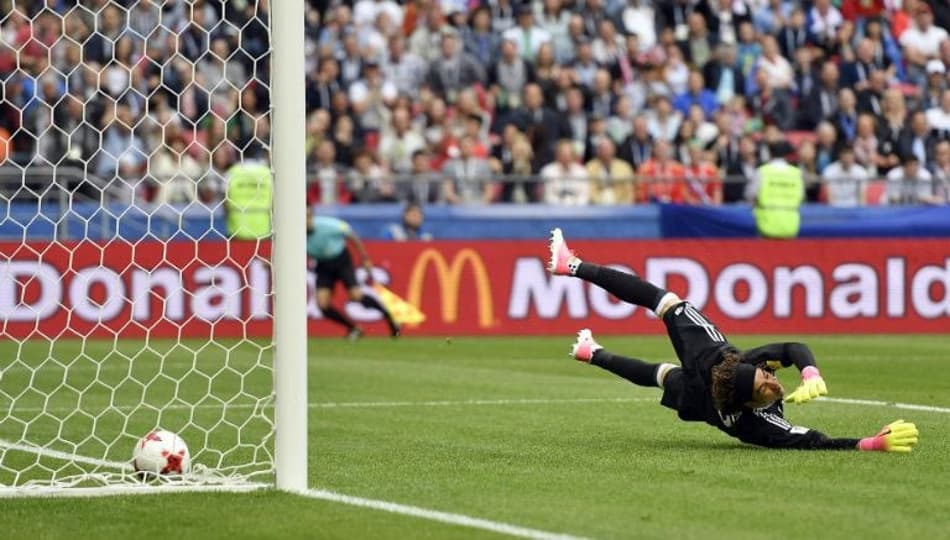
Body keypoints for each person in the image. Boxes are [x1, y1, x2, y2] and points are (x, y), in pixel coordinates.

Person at [545, 228, 920, 452]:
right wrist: (867, 441)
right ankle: (589, 348)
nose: (772, 381)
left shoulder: (752, 395)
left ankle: (573, 271)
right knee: (662, 363)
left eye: (766, 379)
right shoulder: (756, 404)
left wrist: (811, 374)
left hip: (708, 366)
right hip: (703, 399)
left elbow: (795, 360)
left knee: (664, 321)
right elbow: (813, 433)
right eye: (766, 382)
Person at [307, 210, 401, 339]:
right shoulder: (295, 235)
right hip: (323, 264)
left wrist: (365, 258)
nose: (306, 221)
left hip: (341, 259)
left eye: (307, 216)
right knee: (322, 304)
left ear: (311, 216)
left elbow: (349, 233)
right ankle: (354, 328)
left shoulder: (325, 224)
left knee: (356, 295)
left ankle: (389, 317)